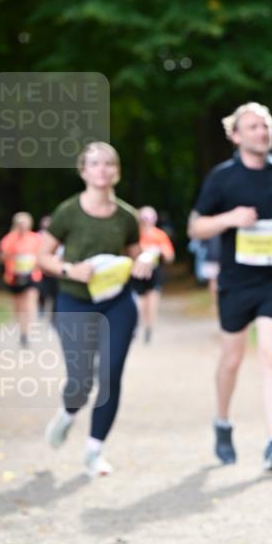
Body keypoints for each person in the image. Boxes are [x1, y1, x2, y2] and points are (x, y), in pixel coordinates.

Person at [187, 101, 272, 471]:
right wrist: (230, 218)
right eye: (253, 126)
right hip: (236, 283)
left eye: (266, 125)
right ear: (236, 136)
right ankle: (223, 422)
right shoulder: (222, 178)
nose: (262, 132)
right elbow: (196, 227)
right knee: (232, 360)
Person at [38, 141, 152, 477]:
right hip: (75, 300)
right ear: (83, 171)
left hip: (117, 302)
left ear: (117, 171)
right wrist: (69, 270)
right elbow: (42, 257)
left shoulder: (127, 216)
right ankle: (68, 413)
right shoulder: (68, 212)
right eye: (94, 163)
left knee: (111, 375)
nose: (102, 169)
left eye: (108, 163)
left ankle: (94, 451)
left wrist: (146, 259)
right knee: (80, 381)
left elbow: (136, 253)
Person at [0, 212, 42, 347]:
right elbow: (1, 258)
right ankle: (23, 332)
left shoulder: (35, 238)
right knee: (19, 307)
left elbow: (42, 256)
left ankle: (31, 331)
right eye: (20, 223)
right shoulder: (9, 239)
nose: (23, 226)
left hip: (32, 275)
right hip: (14, 277)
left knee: (30, 303)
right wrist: (11, 253)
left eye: (25, 222)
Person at [132, 205, 175, 343]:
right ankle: (139, 326)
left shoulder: (160, 235)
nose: (147, 221)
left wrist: (161, 251)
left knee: (152, 300)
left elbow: (170, 256)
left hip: (154, 271)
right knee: (140, 302)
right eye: (145, 218)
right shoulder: (135, 235)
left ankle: (149, 328)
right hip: (138, 272)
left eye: (150, 218)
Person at [37, 215, 59, 320]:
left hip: (54, 269)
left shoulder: (58, 236)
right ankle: (41, 311)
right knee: (41, 292)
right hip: (41, 270)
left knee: (55, 293)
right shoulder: (37, 236)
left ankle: (54, 315)